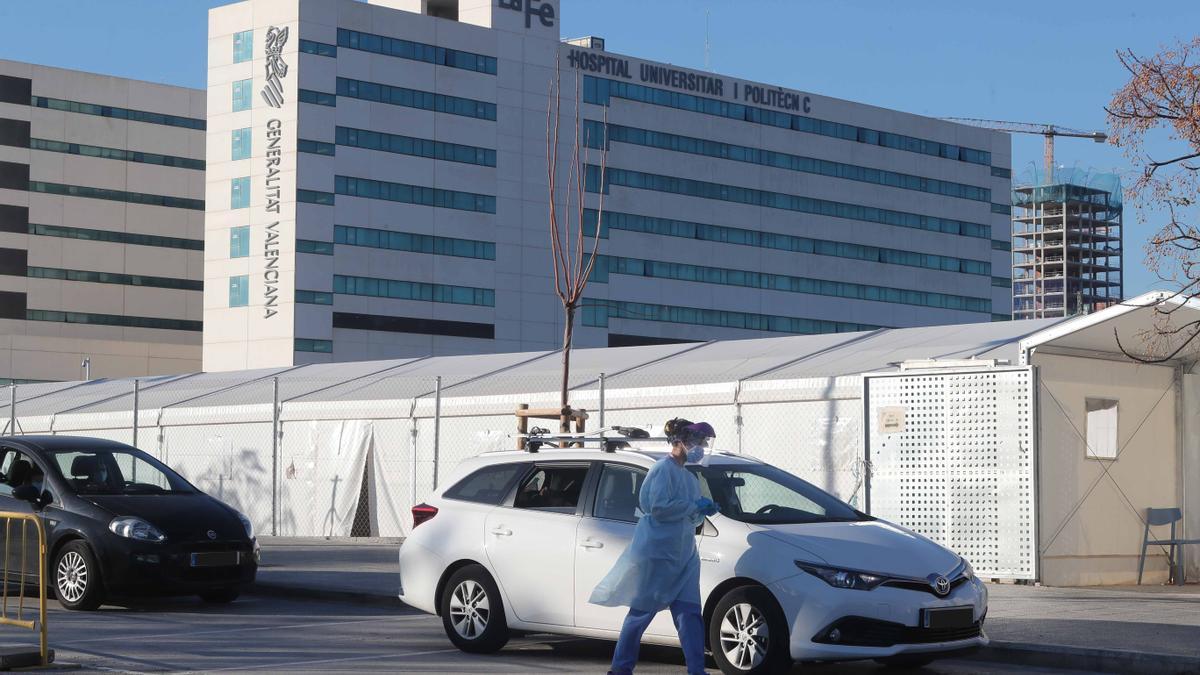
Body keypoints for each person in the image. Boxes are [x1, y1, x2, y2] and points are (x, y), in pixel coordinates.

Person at [589, 418, 720, 675]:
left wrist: (702, 511)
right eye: (697, 441)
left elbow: (690, 517)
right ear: (679, 441)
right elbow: (657, 508)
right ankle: (620, 669)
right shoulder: (661, 470)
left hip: (684, 556)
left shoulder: (689, 478)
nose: (701, 447)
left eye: (703, 442)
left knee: (689, 615)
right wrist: (692, 507)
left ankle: (697, 671)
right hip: (658, 554)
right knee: (641, 614)